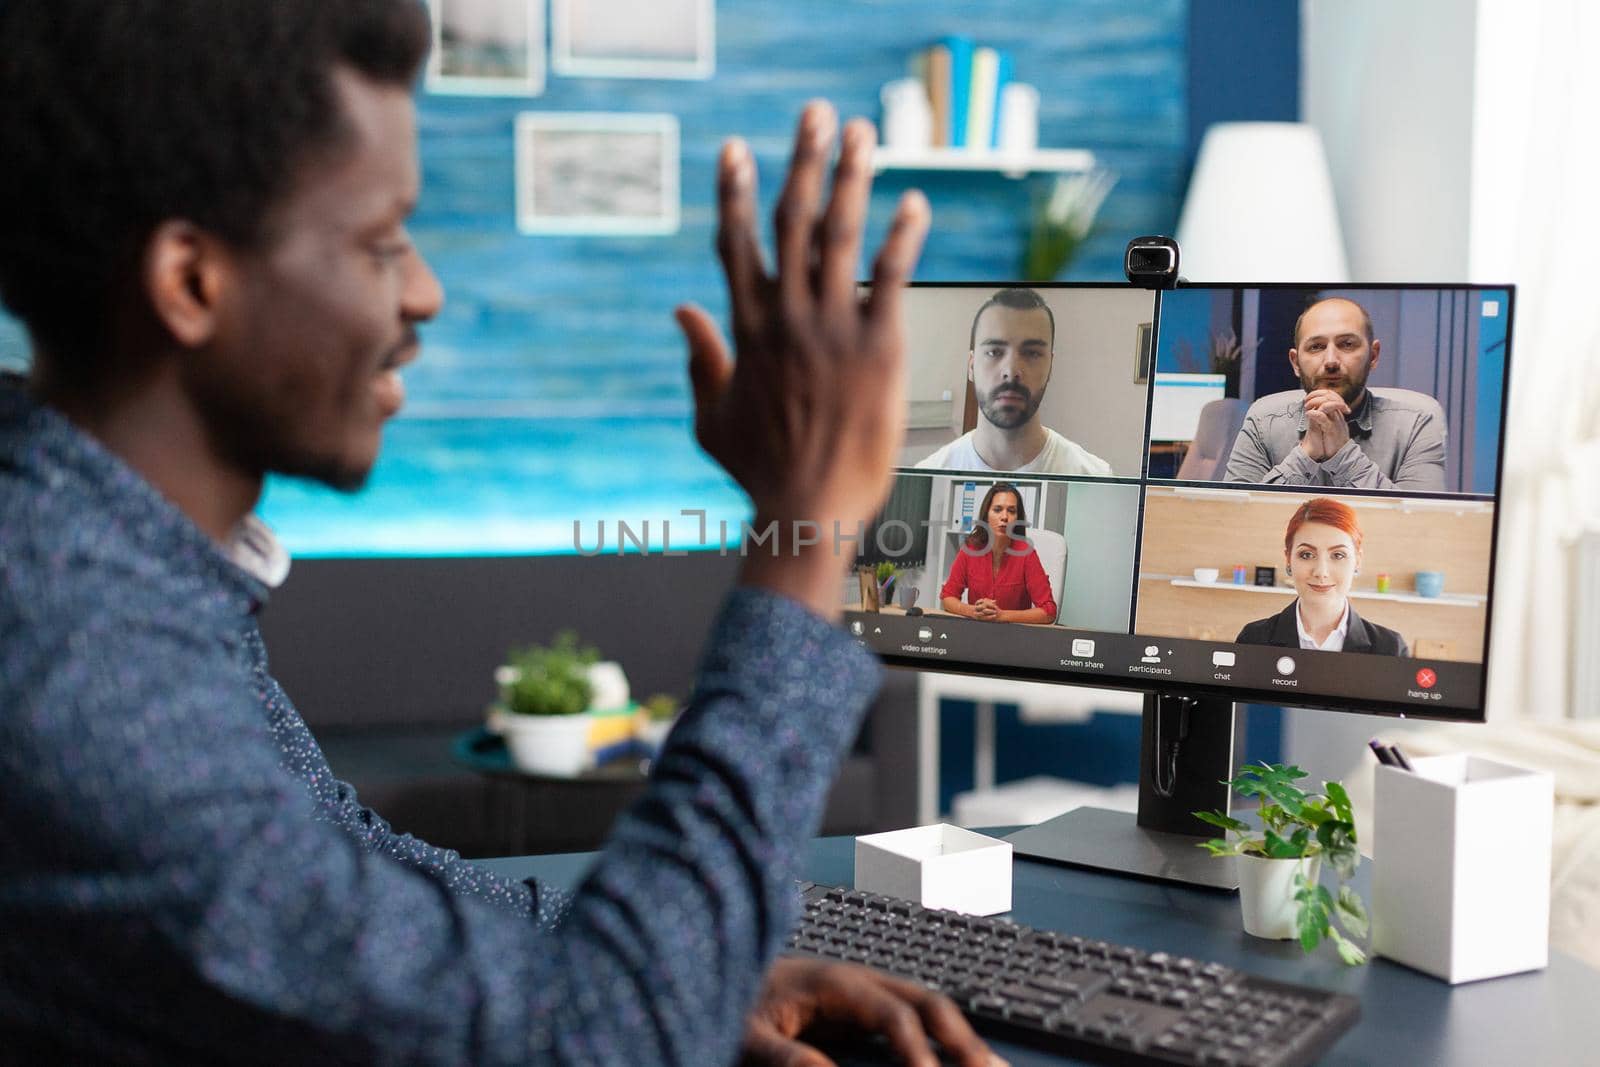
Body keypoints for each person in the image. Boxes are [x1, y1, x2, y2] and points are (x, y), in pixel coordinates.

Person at [0, 3, 1004, 1065]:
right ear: (192, 281)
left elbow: (345, 884)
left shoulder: (103, 554)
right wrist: (810, 525)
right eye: (381, 242)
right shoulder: (73, 660)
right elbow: (602, 1044)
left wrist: (675, 967)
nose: (424, 291)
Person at [1223, 296, 1448, 490]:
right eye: (1316, 347)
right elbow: (1234, 515)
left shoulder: (1417, 423)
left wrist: (1344, 454)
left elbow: (1421, 524)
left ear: (1373, 355)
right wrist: (1305, 456)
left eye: (1347, 344)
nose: (1331, 361)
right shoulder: (1264, 421)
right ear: (1295, 362)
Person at [916, 287, 1113, 476]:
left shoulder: (1095, 477)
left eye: (1032, 353)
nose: (1011, 371)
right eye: (994, 352)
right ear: (971, 366)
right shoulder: (928, 475)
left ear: (1050, 366)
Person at [1235, 498, 1409, 656]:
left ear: (1357, 561)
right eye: (1307, 555)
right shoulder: (1253, 639)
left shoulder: (1391, 648)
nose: (1321, 572)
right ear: (1288, 559)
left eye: (1338, 555)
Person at [939, 483, 1059, 624]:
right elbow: (948, 597)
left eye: (1012, 511)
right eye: (997, 509)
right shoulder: (970, 550)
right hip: (975, 633)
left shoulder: (1026, 554)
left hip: (1014, 637)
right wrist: (972, 611)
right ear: (986, 515)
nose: (1004, 517)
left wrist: (1001, 616)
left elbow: (1048, 611)